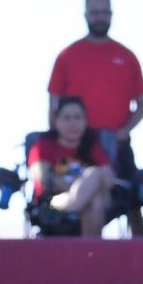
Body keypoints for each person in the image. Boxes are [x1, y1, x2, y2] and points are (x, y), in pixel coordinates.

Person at [47, 0, 143, 237]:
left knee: (134, 201)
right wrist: (56, 137)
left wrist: (124, 131)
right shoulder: (68, 55)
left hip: (116, 142)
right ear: (86, 15)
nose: (99, 17)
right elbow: (53, 102)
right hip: (74, 145)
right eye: (94, 13)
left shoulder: (126, 56)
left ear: (111, 15)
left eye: (104, 12)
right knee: (83, 194)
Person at [30, 97, 115, 238]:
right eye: (67, 118)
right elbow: (45, 180)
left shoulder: (94, 148)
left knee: (96, 192)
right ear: (56, 121)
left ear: (85, 121)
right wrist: (87, 185)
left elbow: (108, 179)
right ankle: (91, 255)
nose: (72, 123)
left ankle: (73, 207)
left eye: (77, 118)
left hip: (73, 202)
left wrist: (83, 187)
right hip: (53, 202)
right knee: (95, 191)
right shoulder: (43, 147)